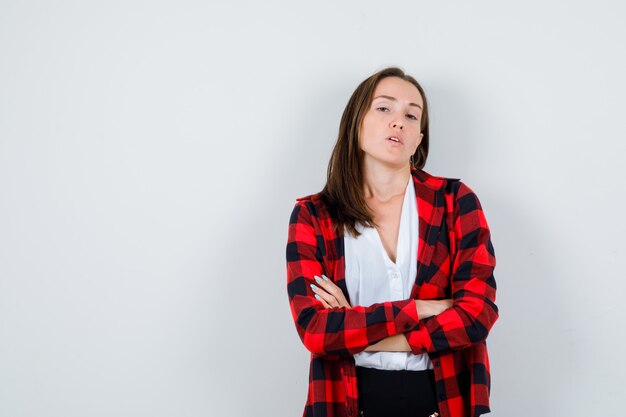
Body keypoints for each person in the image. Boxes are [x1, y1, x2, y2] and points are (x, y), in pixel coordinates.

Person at [286, 67, 498, 417]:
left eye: (411, 115)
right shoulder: (314, 216)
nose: (398, 121)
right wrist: (423, 308)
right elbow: (315, 330)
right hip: (346, 399)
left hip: (443, 399)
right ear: (357, 122)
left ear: (418, 138)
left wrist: (354, 329)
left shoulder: (455, 202)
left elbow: (477, 315)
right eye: (384, 108)